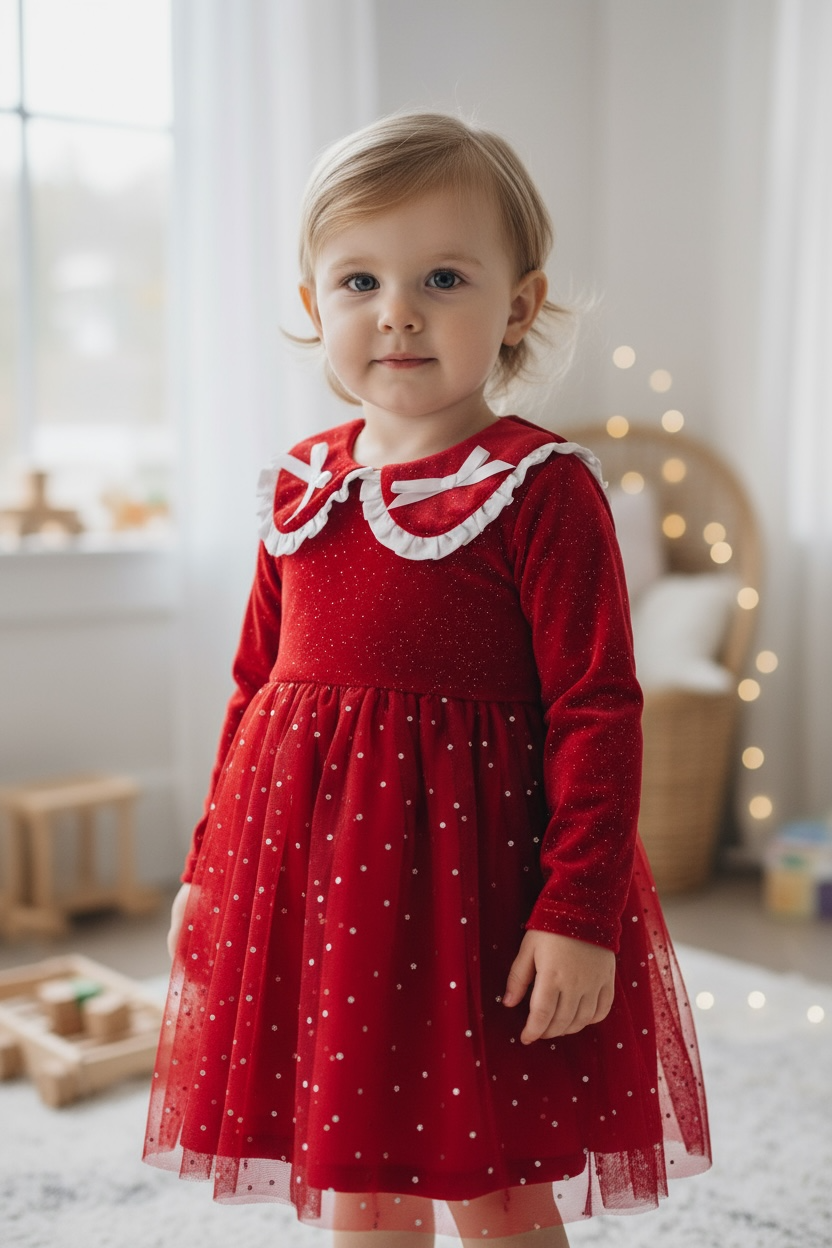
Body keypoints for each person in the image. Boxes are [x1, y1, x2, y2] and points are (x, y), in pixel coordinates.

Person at [144, 112, 711, 1245]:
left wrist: (578, 912)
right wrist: (209, 870)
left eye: (442, 278)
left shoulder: (539, 487)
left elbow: (597, 707)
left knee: (493, 1179)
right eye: (360, 280)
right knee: (356, 1168)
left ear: (519, 306)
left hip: (477, 900)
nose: (396, 310)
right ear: (315, 306)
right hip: (322, 891)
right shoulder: (300, 484)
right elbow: (253, 687)